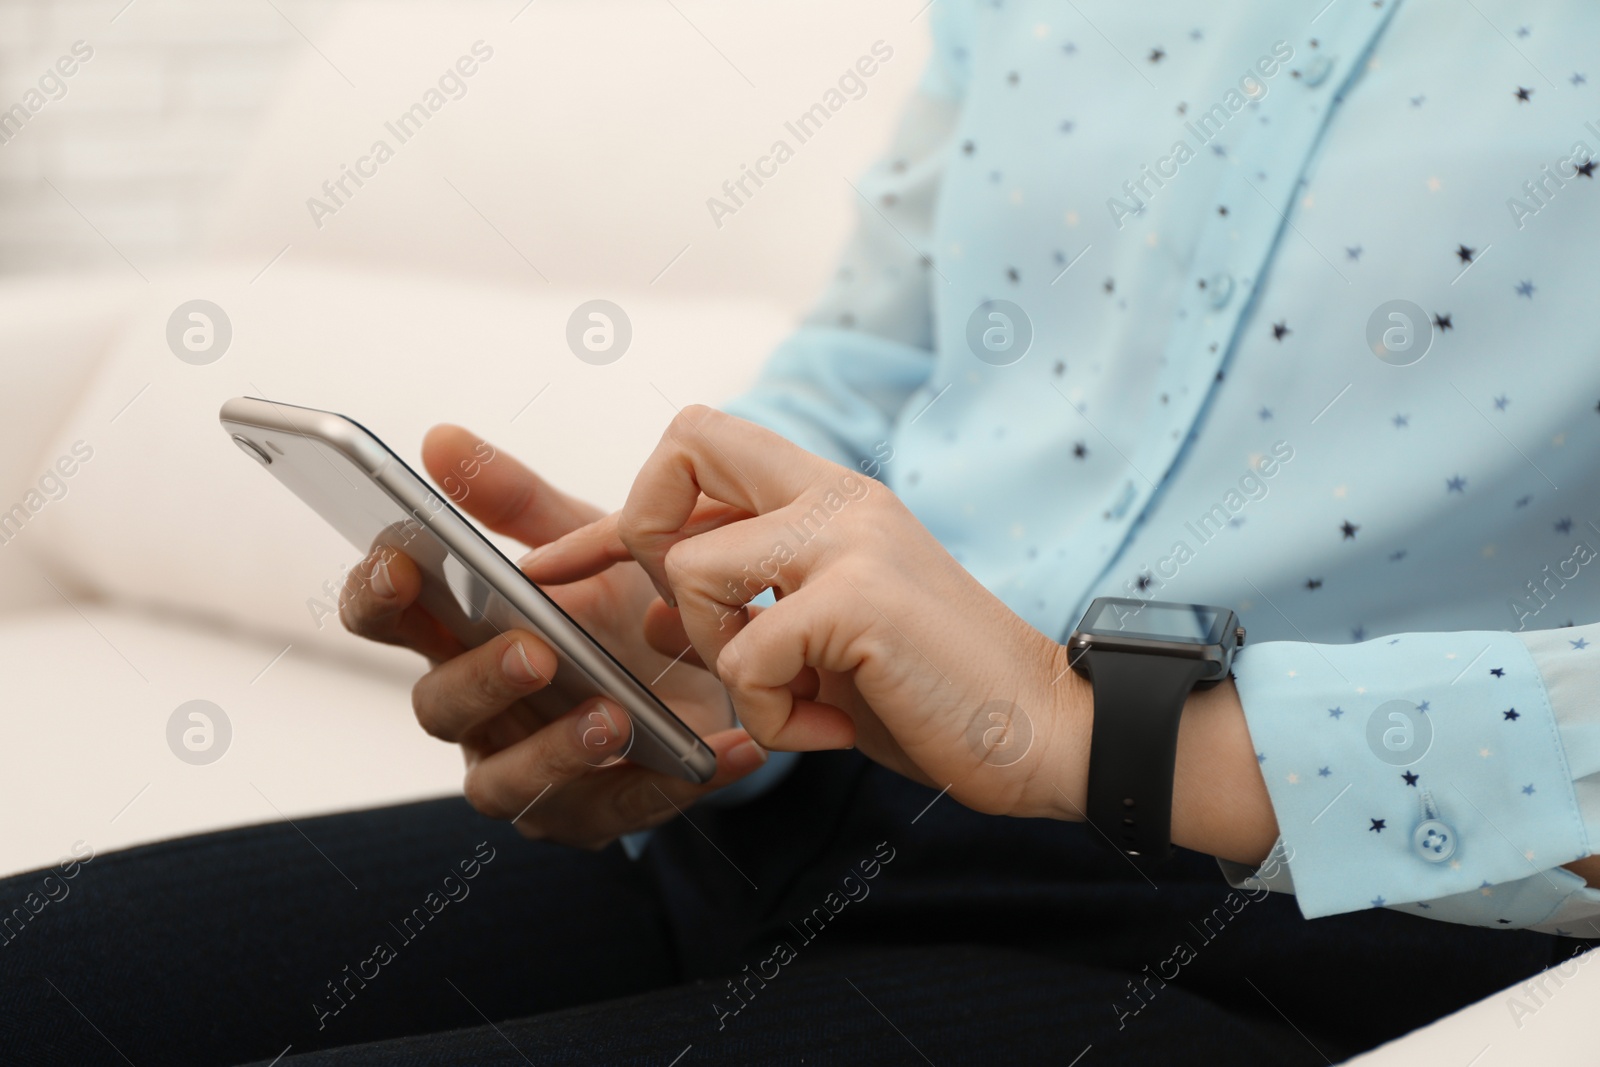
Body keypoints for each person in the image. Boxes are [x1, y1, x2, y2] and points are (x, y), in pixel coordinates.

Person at [4, 2, 1598, 1064]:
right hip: (810, 803)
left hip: (1308, 934)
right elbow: (887, 354)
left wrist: (1074, 731)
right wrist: (702, 624)